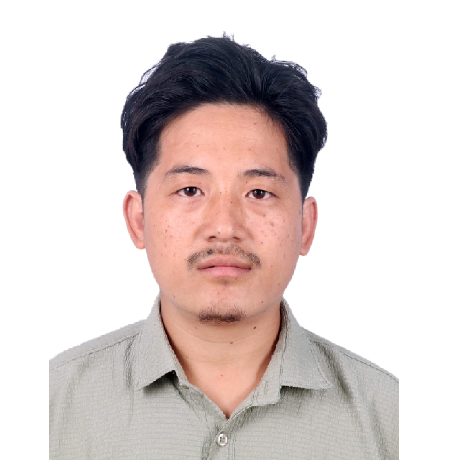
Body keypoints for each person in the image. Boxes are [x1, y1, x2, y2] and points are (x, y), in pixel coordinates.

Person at [49, 35, 398, 459]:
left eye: (258, 193)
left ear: (305, 226)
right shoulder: (50, 408)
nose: (225, 227)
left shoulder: (392, 420)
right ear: (137, 219)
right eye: (190, 190)